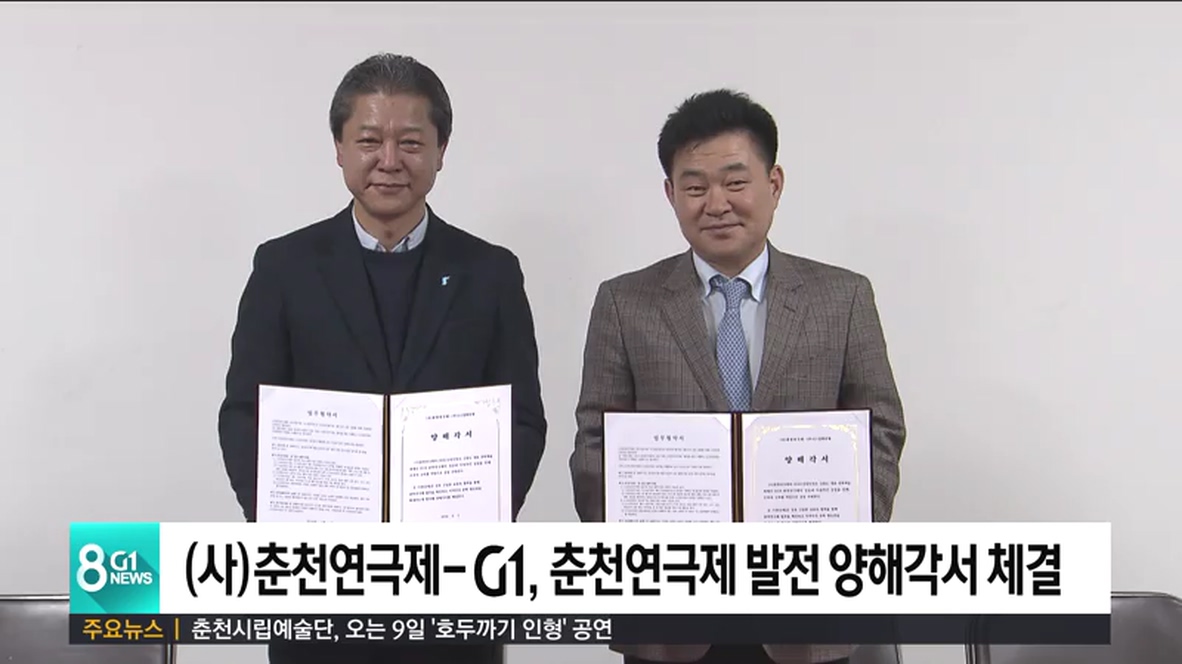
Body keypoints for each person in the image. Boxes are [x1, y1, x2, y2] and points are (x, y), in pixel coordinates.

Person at [217, 53, 546, 664]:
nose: (389, 161)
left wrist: (475, 532)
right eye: (369, 140)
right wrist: (286, 535)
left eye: (411, 142)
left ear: (441, 151)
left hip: (454, 593)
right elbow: (244, 415)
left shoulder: (491, 272)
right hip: (317, 591)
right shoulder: (284, 266)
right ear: (339, 148)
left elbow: (522, 419)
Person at [568, 88, 907, 664]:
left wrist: (837, 548)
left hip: (807, 607)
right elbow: (594, 448)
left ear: (774, 184)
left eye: (735, 181)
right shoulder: (625, 303)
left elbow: (881, 433)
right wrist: (647, 560)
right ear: (671, 194)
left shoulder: (842, 297)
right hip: (671, 615)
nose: (717, 203)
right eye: (695, 187)